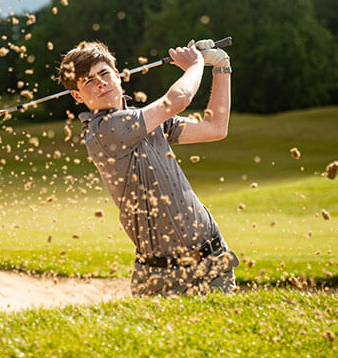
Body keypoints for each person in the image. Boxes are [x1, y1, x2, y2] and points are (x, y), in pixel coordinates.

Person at [58, 39, 239, 296]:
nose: (100, 82)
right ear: (76, 96)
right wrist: (196, 63)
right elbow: (178, 99)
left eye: (104, 73)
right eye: (88, 81)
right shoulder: (104, 130)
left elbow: (215, 128)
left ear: (118, 76)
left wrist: (221, 66)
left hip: (213, 259)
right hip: (163, 277)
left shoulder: (148, 121)